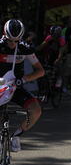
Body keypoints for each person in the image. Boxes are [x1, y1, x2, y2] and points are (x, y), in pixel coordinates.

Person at [0, 19, 45, 151]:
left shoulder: (25, 48)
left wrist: (24, 79)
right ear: (4, 35)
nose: (13, 44)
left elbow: (40, 71)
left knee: (36, 110)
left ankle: (16, 135)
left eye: (16, 41)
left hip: (15, 87)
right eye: (10, 41)